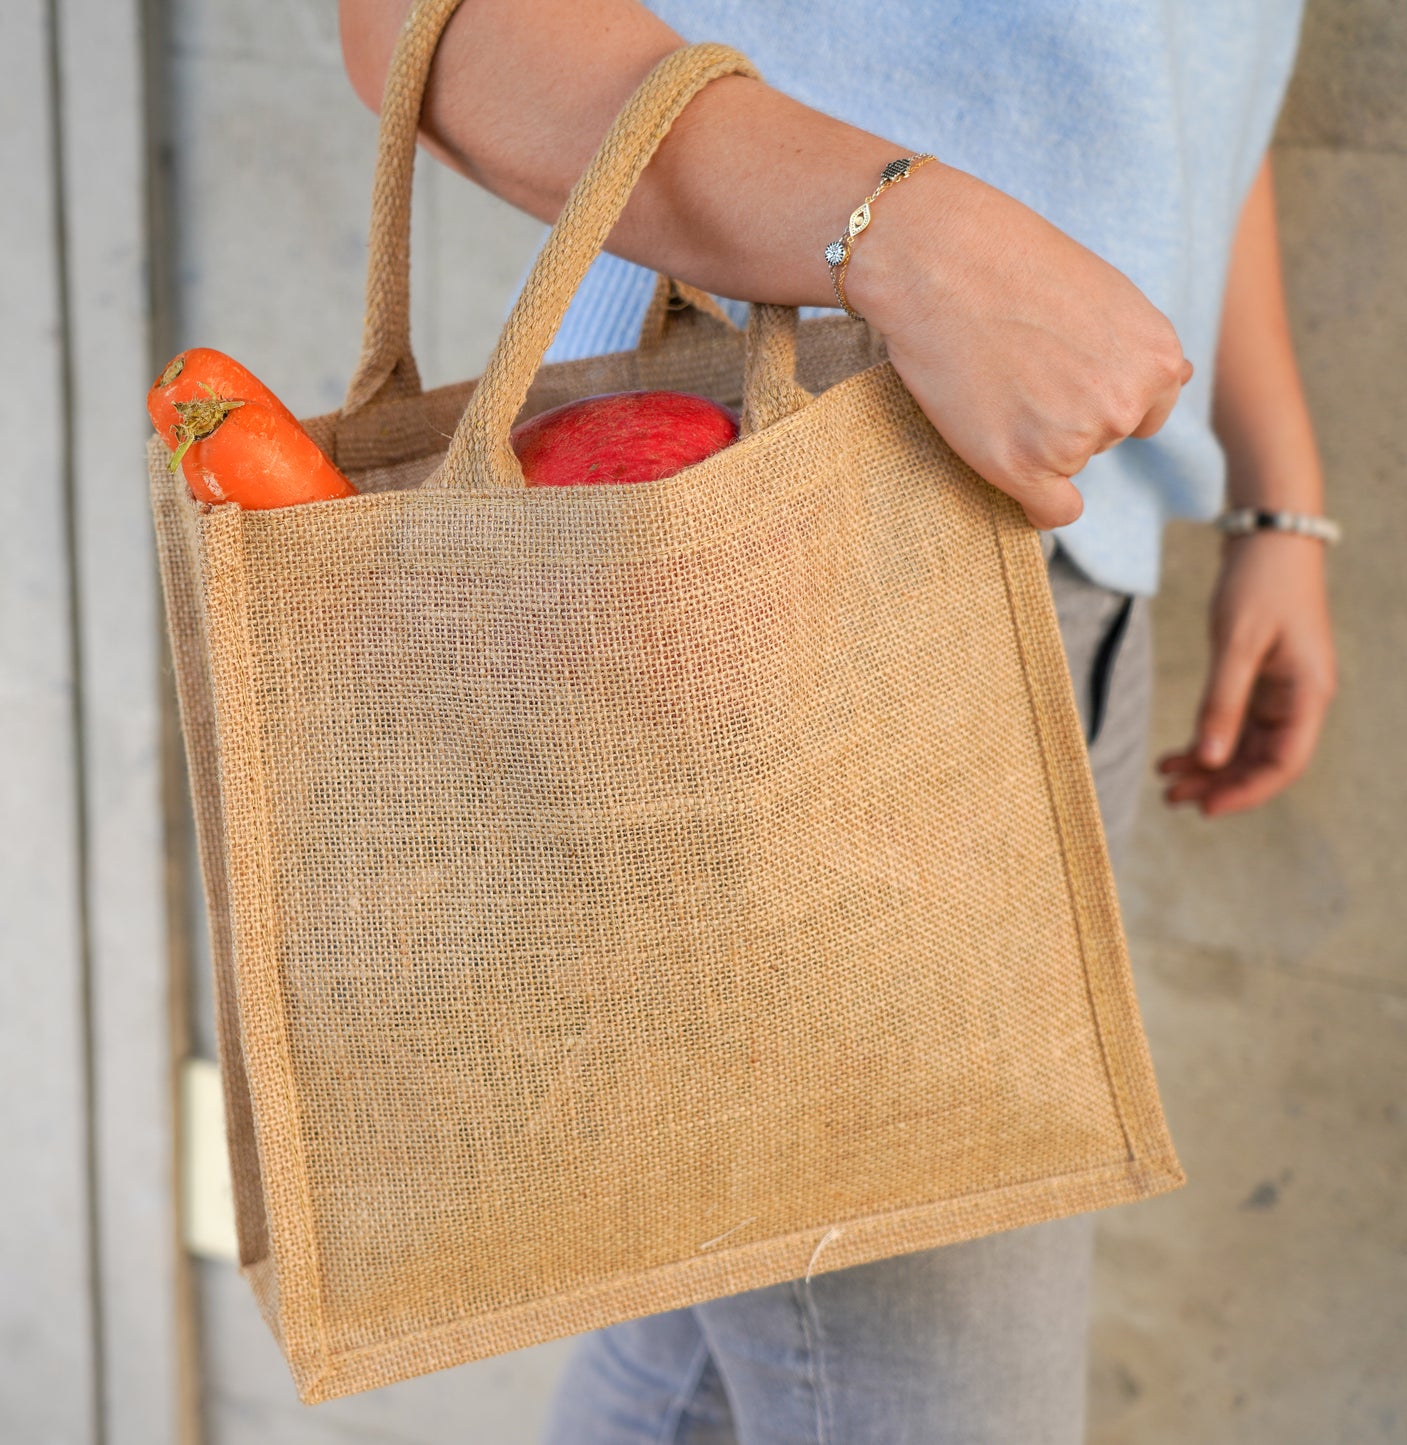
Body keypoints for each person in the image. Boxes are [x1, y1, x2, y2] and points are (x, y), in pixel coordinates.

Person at [339, 1, 1338, 1439]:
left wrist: (1271, 487)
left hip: (1064, 544)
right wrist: (908, 240)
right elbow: (422, 22)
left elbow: (1182, 77)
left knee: (714, 1358)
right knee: (927, 1396)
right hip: (773, 545)